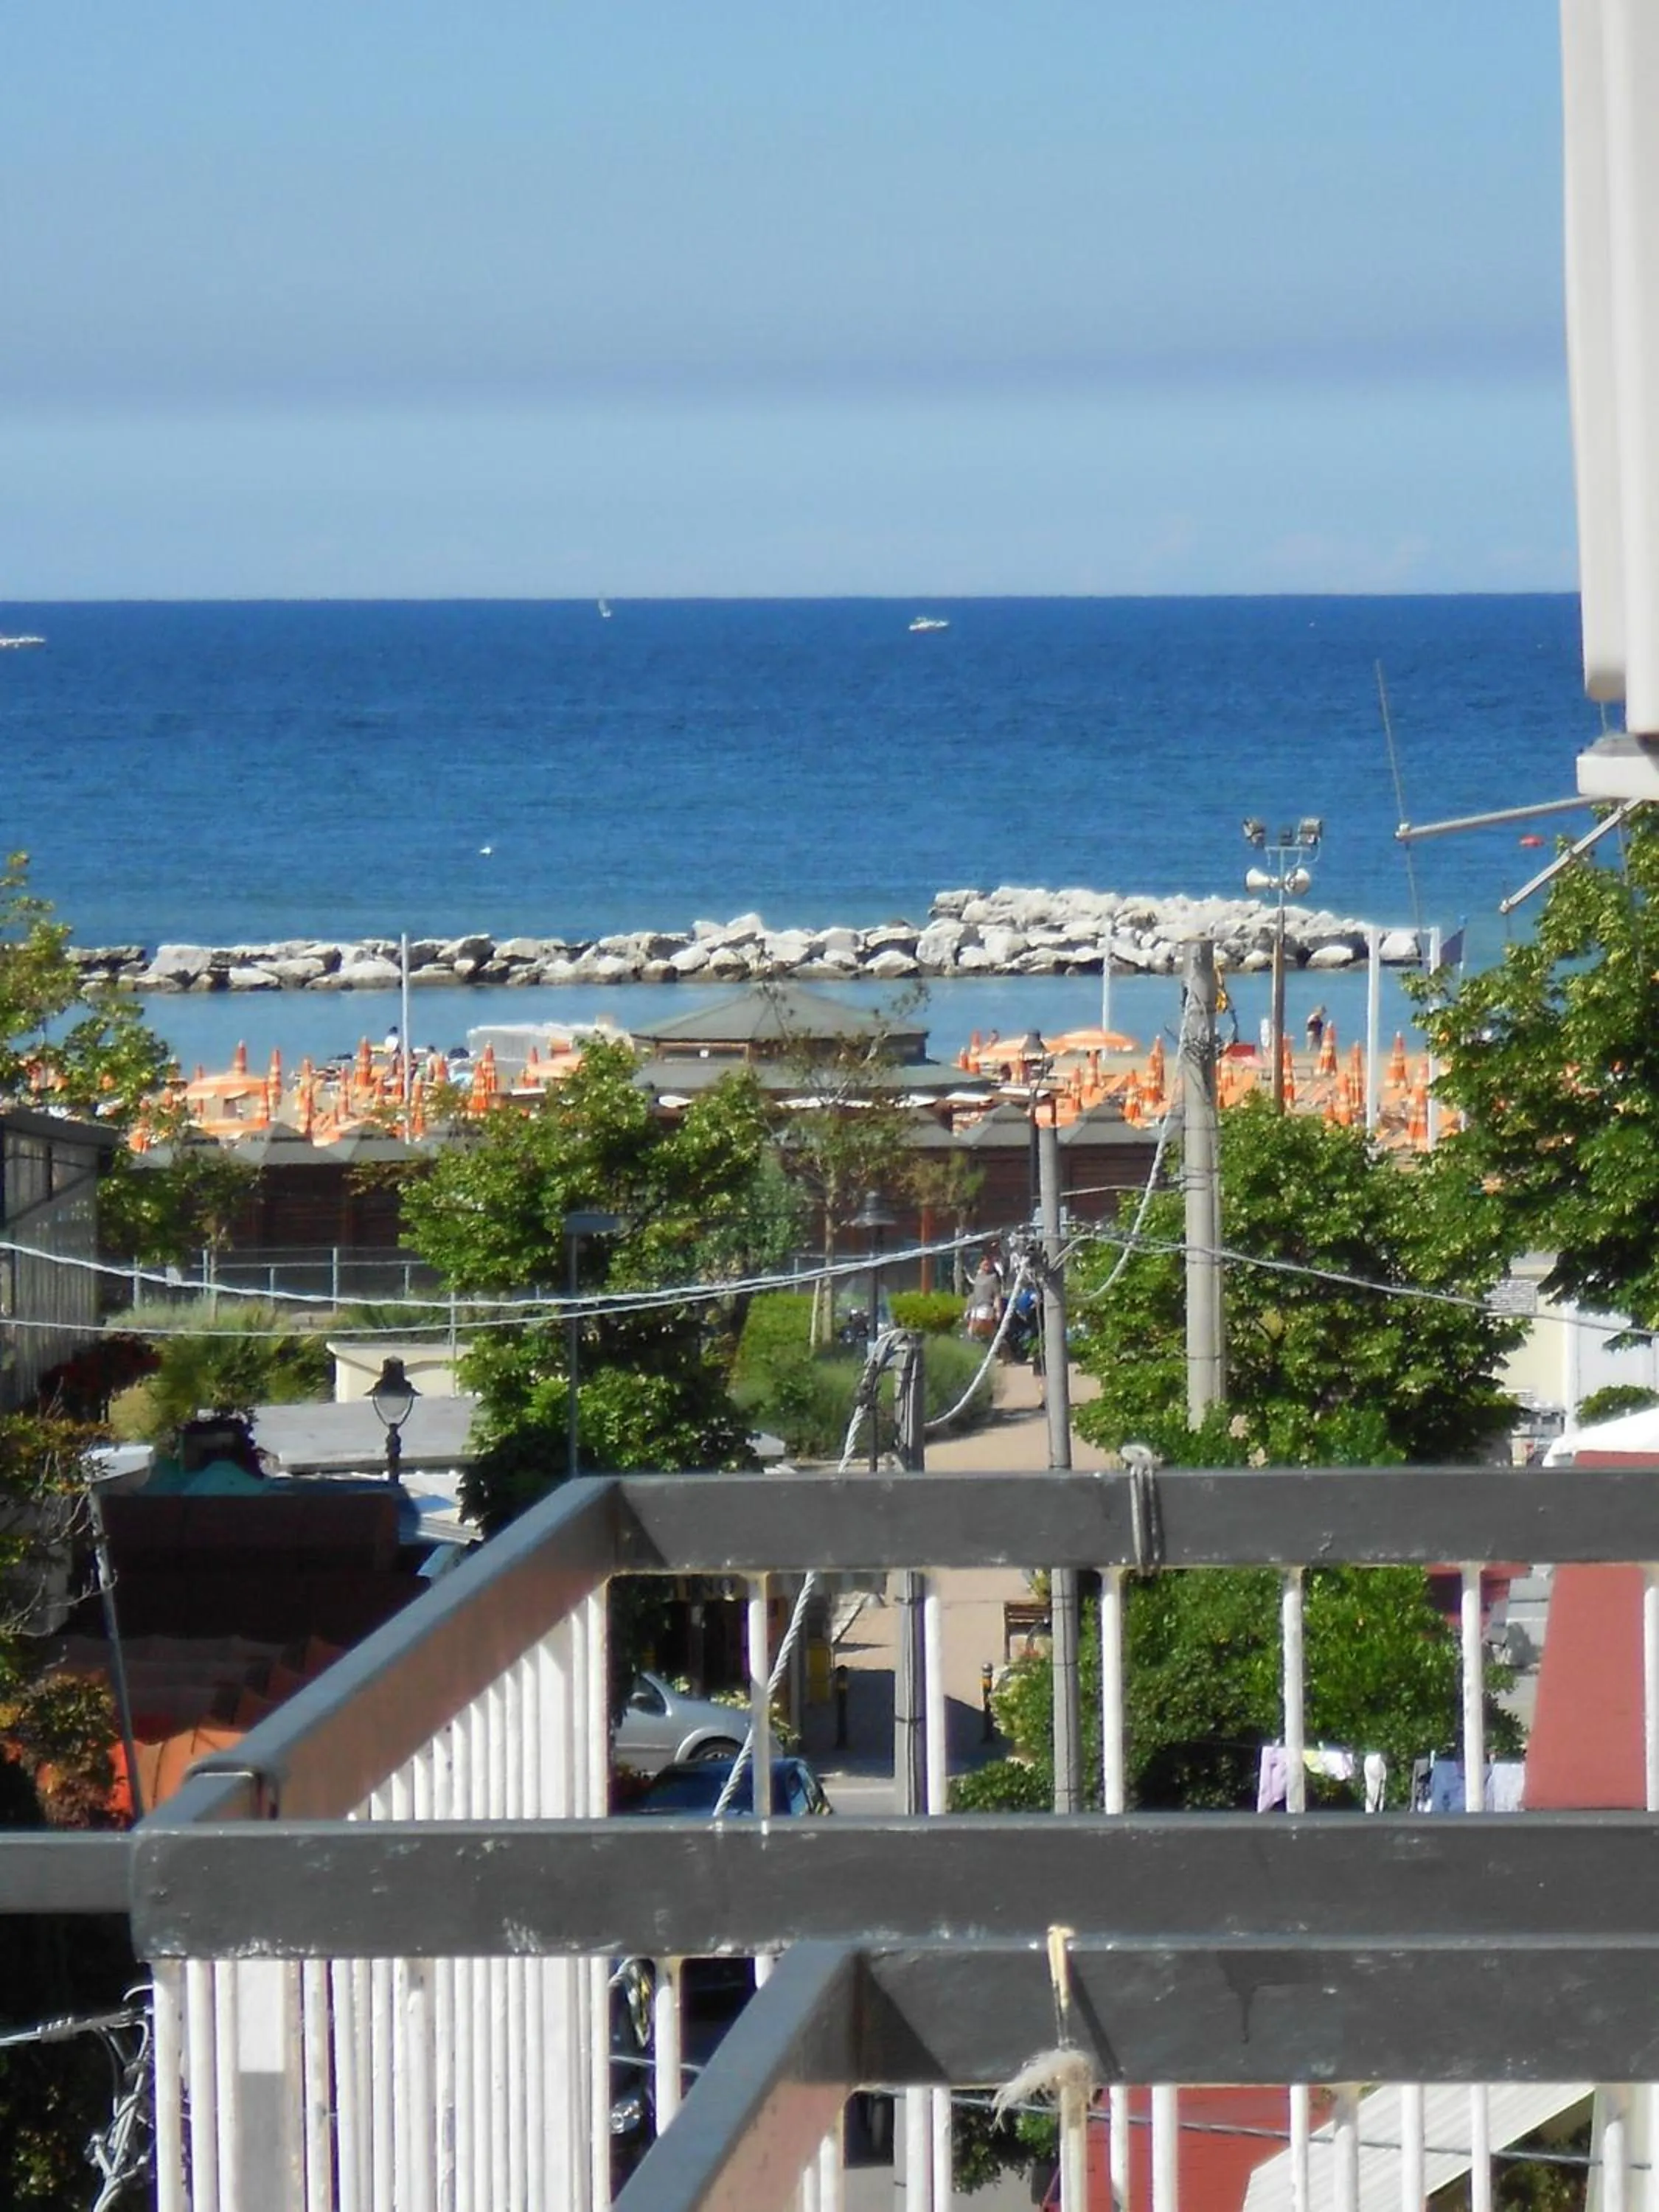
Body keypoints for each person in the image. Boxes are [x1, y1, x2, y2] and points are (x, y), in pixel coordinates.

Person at [964, 1251, 1004, 1342]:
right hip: (975, 1308)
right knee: (971, 1332)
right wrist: (968, 1308)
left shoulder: (993, 1278)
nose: (986, 1263)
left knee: (983, 1329)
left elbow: (997, 1295)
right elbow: (973, 1294)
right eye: (984, 1261)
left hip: (986, 1308)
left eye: (988, 1261)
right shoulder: (978, 1277)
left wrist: (998, 1311)